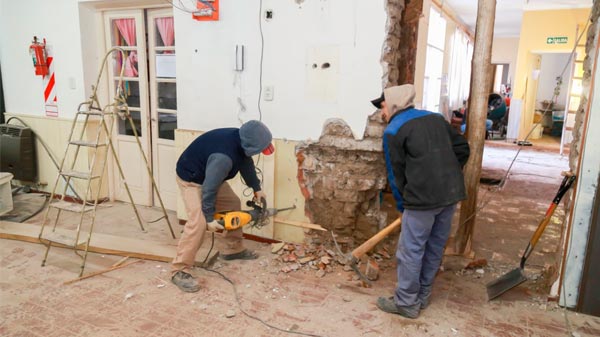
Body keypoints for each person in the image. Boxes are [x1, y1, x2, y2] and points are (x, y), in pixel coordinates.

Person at [370, 84, 470, 318]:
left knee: (411, 251)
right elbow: (463, 148)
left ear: (393, 104)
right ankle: (423, 295)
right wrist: (447, 172)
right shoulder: (435, 118)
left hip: (422, 200)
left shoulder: (393, 130)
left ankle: (406, 303)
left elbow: (396, 175)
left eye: (382, 106)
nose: (381, 112)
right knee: (435, 245)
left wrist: (402, 206)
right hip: (450, 194)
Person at [171, 120, 275, 293]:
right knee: (199, 223)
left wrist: (256, 188)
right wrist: (210, 217)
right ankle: (179, 270)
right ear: (250, 145)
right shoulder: (223, 158)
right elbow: (209, 189)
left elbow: (246, 163)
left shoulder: (241, 141)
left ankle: (232, 249)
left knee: (233, 204)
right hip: (192, 180)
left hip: (210, 176)